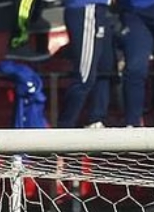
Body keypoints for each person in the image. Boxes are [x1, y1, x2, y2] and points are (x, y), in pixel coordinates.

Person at [57, 0, 115, 128]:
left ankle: (96, 119)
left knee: (104, 69)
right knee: (85, 76)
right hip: (85, 7)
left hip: (100, 9)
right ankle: (65, 126)